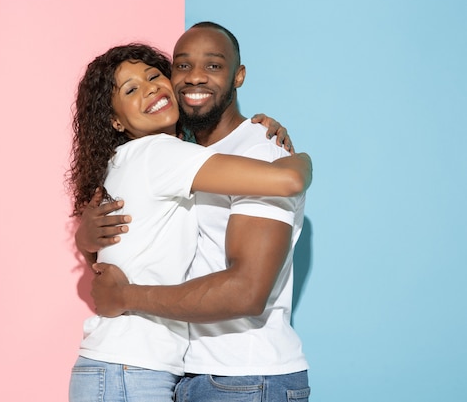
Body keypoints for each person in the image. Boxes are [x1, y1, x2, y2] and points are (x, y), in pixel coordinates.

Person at [67, 42, 312, 402]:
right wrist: (304, 159)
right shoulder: (160, 153)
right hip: (131, 369)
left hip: (157, 369)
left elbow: (129, 250)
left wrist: (88, 247)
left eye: (154, 76)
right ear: (115, 120)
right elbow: (289, 179)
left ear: (237, 76)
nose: (151, 87)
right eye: (131, 89)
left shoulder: (143, 158)